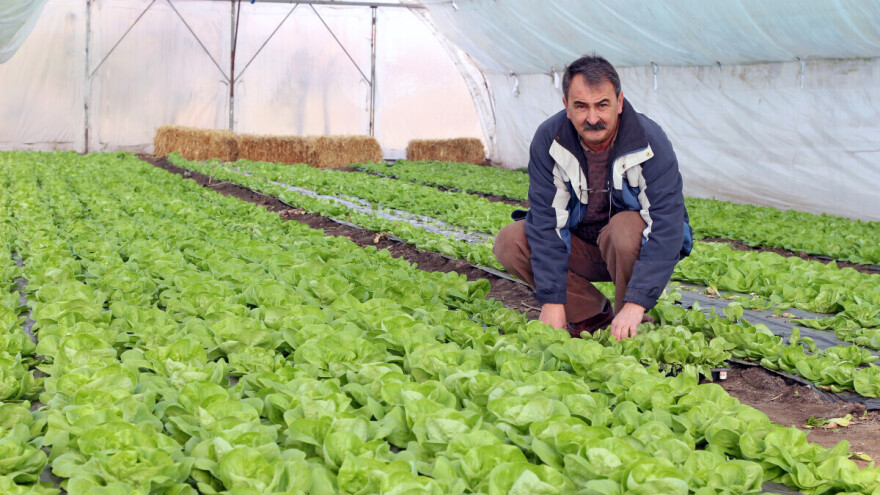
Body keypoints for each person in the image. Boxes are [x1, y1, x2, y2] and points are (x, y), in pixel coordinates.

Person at [493, 54, 692, 341]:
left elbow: (666, 225)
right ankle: (592, 315)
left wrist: (636, 304)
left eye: (602, 105)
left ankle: (631, 320)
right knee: (511, 241)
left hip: (627, 249)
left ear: (620, 102)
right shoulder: (551, 140)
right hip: (580, 249)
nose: (593, 117)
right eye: (581, 106)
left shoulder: (649, 141)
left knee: (626, 228)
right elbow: (548, 223)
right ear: (566, 106)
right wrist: (553, 302)